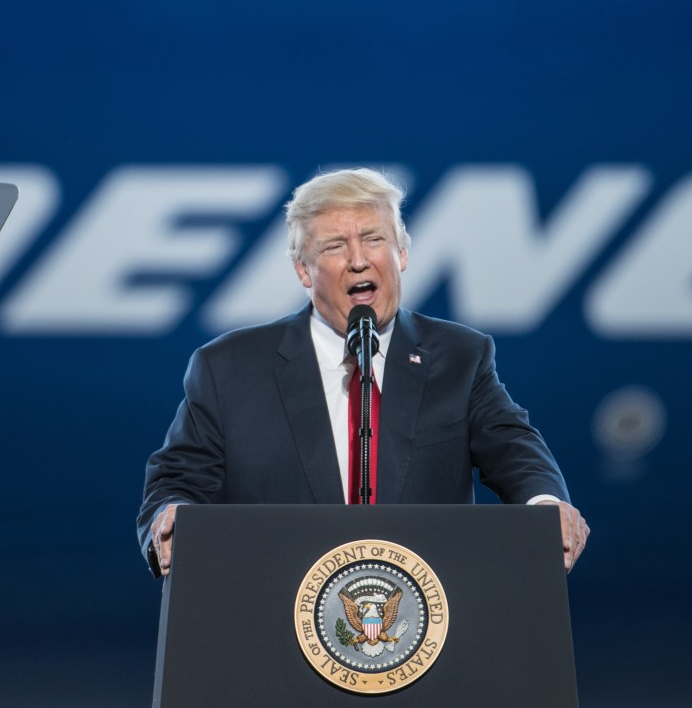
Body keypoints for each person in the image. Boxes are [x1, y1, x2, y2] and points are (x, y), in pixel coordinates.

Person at [136, 167, 588, 577]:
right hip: (271, 612)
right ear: (302, 270)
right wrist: (173, 515)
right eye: (335, 246)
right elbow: (179, 479)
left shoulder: (458, 356)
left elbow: (513, 448)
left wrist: (545, 507)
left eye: (374, 239)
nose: (359, 260)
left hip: (427, 623)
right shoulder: (230, 368)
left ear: (402, 253)